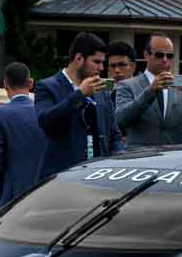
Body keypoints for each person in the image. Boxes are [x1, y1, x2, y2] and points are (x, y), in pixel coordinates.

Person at [37, 34, 123, 178]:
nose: (101, 68)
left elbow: (114, 135)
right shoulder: (47, 87)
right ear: (78, 58)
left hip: (97, 176)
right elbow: (45, 122)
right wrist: (80, 94)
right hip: (61, 178)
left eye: (103, 63)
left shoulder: (101, 91)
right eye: (96, 62)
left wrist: (116, 164)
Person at [115, 34, 182, 146]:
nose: (165, 60)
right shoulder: (127, 85)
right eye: (159, 55)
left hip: (174, 155)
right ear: (146, 55)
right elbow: (120, 121)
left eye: (169, 56)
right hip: (140, 155)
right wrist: (150, 91)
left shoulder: (181, 86)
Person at [0, 62, 47, 207]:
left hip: (12, 197)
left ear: (5, 84)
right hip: (46, 193)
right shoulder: (46, 111)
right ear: (30, 83)